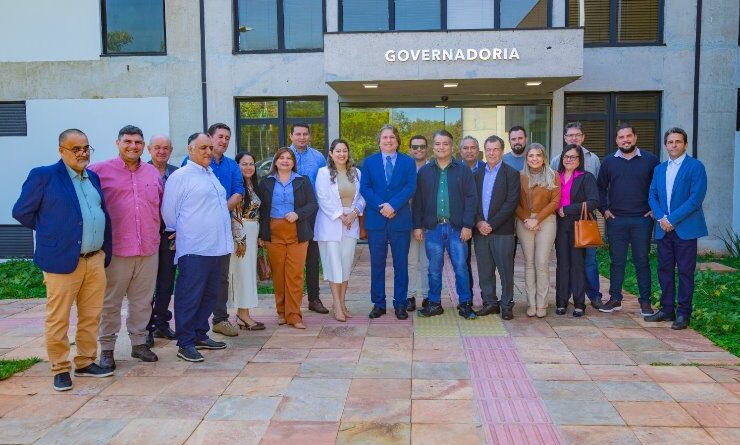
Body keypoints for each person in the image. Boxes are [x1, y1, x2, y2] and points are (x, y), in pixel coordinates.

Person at [13, 129, 114, 391]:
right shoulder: (44, 176)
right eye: (75, 148)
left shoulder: (92, 177)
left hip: (94, 259)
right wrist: (53, 233)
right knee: (58, 318)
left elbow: (99, 213)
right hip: (61, 261)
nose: (82, 153)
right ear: (61, 150)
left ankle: (85, 361)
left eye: (86, 148)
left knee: (91, 315)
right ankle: (59, 367)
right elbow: (21, 212)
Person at [89, 125, 161, 369]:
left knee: (142, 301)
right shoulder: (98, 171)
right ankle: (107, 349)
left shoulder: (152, 172)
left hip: (148, 248)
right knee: (110, 302)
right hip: (116, 250)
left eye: (138, 142)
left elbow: (160, 205)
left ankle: (139, 344)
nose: (133, 146)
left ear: (143, 145)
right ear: (117, 143)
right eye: (128, 141)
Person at [161, 132, 232, 362]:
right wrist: (181, 231)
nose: (209, 152)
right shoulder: (180, 176)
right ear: (190, 149)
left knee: (210, 295)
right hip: (195, 248)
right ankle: (186, 342)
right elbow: (169, 212)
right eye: (203, 148)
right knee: (190, 295)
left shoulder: (209, 173)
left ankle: (200, 333)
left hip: (217, 247)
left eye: (210, 148)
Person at [183, 123, 244, 337]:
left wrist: (219, 211)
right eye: (220, 137)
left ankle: (220, 319)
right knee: (198, 277)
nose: (224, 141)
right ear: (209, 138)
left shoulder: (231, 165)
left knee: (221, 276)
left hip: (222, 228)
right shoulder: (191, 164)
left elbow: (238, 191)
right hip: (197, 231)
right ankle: (194, 324)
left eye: (227, 138)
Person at [646, 127, 708, 330]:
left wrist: (672, 219)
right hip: (663, 228)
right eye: (670, 142)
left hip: (685, 229)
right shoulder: (660, 169)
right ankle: (666, 309)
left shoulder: (695, 167)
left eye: (678, 141)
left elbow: (695, 199)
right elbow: (652, 196)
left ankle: (683, 313)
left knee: (685, 271)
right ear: (666, 145)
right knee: (664, 269)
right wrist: (662, 218)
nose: (673, 145)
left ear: (685, 144)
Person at [413, 130, 477, 319]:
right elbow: (418, 201)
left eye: (445, 143)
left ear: (452, 146)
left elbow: (471, 198)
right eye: (438, 144)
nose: (441, 147)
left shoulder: (463, 170)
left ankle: (465, 304)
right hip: (433, 228)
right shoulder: (424, 172)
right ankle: (434, 304)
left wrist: (467, 225)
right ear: (433, 147)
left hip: (457, 228)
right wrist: (417, 225)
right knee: (433, 269)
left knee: (460, 267)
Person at [597, 123, 659, 315]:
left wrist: (654, 209)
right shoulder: (608, 162)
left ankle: (645, 302)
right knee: (617, 261)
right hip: (616, 219)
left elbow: (659, 186)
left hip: (642, 219)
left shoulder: (650, 160)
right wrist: (604, 210)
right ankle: (615, 299)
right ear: (616, 140)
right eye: (621, 137)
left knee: (642, 260)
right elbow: (600, 188)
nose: (626, 140)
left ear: (635, 137)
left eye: (628, 136)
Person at [360, 124, 417, 320]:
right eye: (384, 137)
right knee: (377, 264)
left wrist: (393, 206)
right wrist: (381, 207)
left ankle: (400, 304)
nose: (388, 140)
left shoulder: (408, 162)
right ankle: (379, 304)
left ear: (397, 141)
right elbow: (365, 188)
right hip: (376, 221)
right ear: (379, 141)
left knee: (401, 264)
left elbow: (410, 187)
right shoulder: (369, 162)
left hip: (400, 220)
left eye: (392, 137)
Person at [258, 148, 318, 329]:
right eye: (281, 158)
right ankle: (282, 312)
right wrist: (261, 234)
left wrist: (298, 214)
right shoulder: (266, 182)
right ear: (275, 162)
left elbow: (312, 204)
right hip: (274, 232)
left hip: (297, 232)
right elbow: (261, 210)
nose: (285, 161)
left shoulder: (303, 180)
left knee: (295, 275)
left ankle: (294, 315)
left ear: (293, 162)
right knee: (278, 274)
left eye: (289, 158)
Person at [550, 122, 604, 309]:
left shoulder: (586, 177)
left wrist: (568, 209)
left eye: (573, 157)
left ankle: (580, 303)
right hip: (560, 225)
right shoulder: (555, 176)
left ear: (580, 159)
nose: (569, 159)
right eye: (566, 156)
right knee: (562, 264)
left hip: (579, 224)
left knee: (578, 264)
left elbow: (594, 202)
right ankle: (561, 302)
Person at [314, 139, 366, 322]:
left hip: (351, 222)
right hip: (330, 223)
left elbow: (362, 197)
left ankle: (343, 303)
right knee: (333, 265)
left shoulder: (356, 173)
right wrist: (340, 216)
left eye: (345, 150)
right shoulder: (323, 173)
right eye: (338, 151)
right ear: (331, 153)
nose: (342, 154)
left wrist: (354, 213)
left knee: (345, 265)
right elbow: (322, 198)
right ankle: (336, 304)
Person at [473, 135, 520, 320]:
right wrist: (479, 222)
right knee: (485, 270)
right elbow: (472, 200)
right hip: (480, 231)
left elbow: (511, 202)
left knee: (505, 270)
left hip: (502, 231)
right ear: (484, 151)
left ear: (502, 151)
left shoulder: (512, 174)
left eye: (496, 149)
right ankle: (490, 303)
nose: (492, 153)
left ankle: (506, 305)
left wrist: (491, 225)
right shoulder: (476, 174)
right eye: (489, 149)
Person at [516, 143, 561, 317]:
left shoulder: (553, 175)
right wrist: (527, 219)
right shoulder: (519, 176)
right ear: (526, 158)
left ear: (544, 158)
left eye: (538, 155)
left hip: (546, 221)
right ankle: (531, 303)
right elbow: (514, 202)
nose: (534, 158)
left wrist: (537, 219)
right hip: (524, 221)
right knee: (529, 263)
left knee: (541, 262)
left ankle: (542, 303)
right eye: (531, 155)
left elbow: (555, 201)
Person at [289, 123, 330, 314]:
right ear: (291, 136)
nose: (302, 137)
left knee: (312, 258)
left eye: (305, 134)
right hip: (289, 214)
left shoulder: (318, 157)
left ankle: (314, 298)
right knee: (291, 260)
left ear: (310, 136)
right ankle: (291, 302)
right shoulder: (284, 155)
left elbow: (325, 183)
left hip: (313, 213)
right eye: (298, 134)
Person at [145, 134, 178, 347]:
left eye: (166, 148)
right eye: (157, 147)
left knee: (166, 281)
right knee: (147, 284)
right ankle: (146, 327)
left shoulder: (177, 173)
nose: (162, 151)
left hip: (170, 235)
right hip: (148, 234)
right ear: (149, 149)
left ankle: (161, 323)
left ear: (171, 150)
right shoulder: (141, 171)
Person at [228, 152, 265, 331]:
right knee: (241, 273)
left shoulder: (253, 185)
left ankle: (244, 313)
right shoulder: (237, 186)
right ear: (237, 166)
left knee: (249, 273)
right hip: (241, 234)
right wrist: (240, 239)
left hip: (252, 231)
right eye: (244, 164)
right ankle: (242, 315)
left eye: (251, 164)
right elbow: (235, 214)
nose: (249, 167)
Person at [459, 135, 485, 301]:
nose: (469, 151)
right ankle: (467, 297)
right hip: (463, 222)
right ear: (460, 151)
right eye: (465, 148)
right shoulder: (455, 169)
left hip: (483, 222)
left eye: (472, 147)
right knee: (463, 261)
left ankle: (487, 296)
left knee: (485, 261)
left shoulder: (486, 168)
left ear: (478, 150)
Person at [406, 135, 429, 311]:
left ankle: (428, 297)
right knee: (411, 261)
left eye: (422, 146)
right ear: (410, 149)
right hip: (408, 222)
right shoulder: (405, 168)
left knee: (428, 262)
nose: (419, 149)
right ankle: (410, 296)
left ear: (427, 149)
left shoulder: (433, 169)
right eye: (415, 147)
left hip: (429, 223)